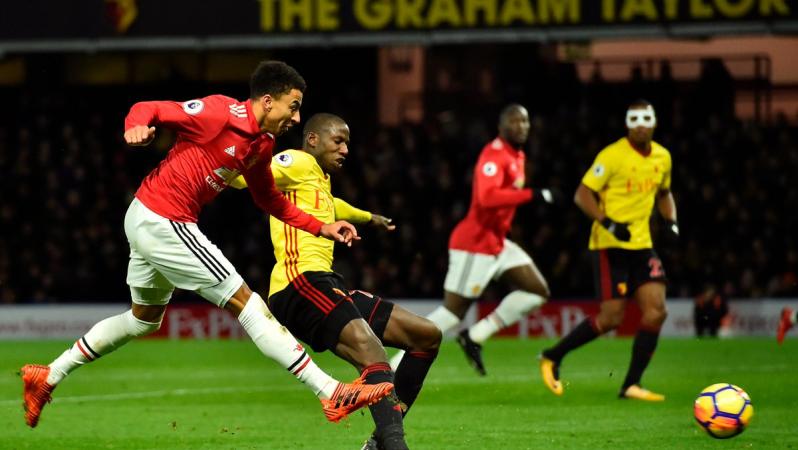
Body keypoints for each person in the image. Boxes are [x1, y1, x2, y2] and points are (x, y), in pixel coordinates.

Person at [19, 61, 393, 429]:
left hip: (148, 218)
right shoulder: (218, 112)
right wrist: (135, 126)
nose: (296, 118)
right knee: (248, 303)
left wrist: (321, 226)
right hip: (163, 218)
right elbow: (150, 108)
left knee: (142, 321)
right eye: (293, 106)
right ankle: (328, 390)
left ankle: (48, 375)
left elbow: (270, 201)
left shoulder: (262, 145)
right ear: (267, 101)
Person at [231, 113, 441, 450]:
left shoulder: (319, 180)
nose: (345, 149)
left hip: (326, 284)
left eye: (347, 143)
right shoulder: (296, 161)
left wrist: (369, 218)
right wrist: (222, 162)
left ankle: (379, 443)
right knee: (373, 353)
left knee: (425, 337)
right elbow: (251, 177)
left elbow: (335, 206)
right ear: (312, 139)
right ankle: (394, 446)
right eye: (338, 141)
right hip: (298, 284)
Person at [390, 104, 554, 376]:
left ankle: (475, 336)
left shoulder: (517, 154)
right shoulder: (494, 155)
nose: (522, 126)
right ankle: (394, 365)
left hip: (497, 242)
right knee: (452, 313)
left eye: (525, 122)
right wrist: (533, 195)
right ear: (501, 127)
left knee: (537, 292)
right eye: (515, 122)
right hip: (474, 244)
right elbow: (488, 198)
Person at [539, 100, 678, 401]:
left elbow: (665, 194)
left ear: (654, 122)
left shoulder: (663, 157)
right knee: (612, 318)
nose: (641, 124)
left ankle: (630, 385)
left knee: (656, 312)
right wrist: (608, 223)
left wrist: (671, 221)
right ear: (628, 123)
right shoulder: (612, 155)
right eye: (635, 119)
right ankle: (553, 355)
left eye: (646, 118)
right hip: (609, 245)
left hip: (642, 245)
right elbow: (582, 194)